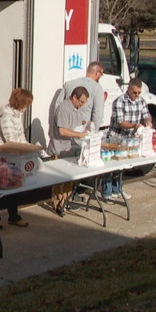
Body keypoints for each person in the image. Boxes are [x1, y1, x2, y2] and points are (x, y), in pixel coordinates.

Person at [0, 88, 33, 228]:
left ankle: (13, 216)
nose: (26, 109)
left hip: (14, 156)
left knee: (14, 187)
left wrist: (31, 148)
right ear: (20, 104)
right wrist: (27, 148)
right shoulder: (7, 117)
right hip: (4, 156)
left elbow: (21, 137)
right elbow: (11, 140)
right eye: (26, 105)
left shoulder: (16, 115)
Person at [104, 78, 152, 200]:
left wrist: (147, 122)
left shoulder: (141, 101)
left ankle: (118, 189)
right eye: (134, 92)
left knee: (123, 166)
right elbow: (120, 122)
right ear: (128, 89)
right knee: (111, 166)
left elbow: (147, 115)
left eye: (139, 93)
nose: (136, 95)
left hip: (130, 139)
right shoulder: (119, 101)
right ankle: (107, 193)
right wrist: (134, 125)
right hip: (116, 137)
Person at [48, 87, 90, 217]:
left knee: (69, 179)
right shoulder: (63, 109)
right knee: (59, 181)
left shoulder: (77, 108)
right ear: (74, 97)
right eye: (81, 101)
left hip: (71, 149)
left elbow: (76, 125)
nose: (83, 104)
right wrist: (79, 134)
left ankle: (66, 201)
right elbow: (63, 131)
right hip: (60, 149)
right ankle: (58, 205)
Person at [60, 62, 106, 130]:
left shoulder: (69, 83)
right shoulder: (98, 89)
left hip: (66, 127)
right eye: (101, 74)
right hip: (82, 129)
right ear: (97, 73)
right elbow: (98, 114)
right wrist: (93, 131)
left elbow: (58, 104)